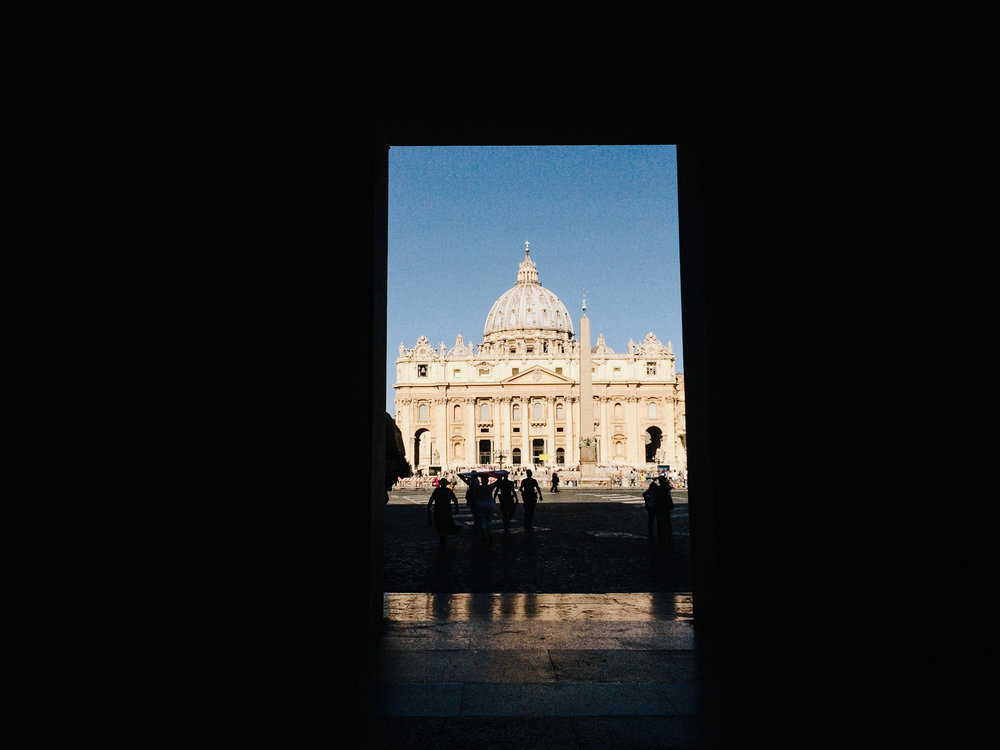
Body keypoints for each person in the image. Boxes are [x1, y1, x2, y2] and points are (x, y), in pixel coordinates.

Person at [427, 478, 461, 549]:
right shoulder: (449, 491)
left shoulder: (437, 491)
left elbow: (432, 498)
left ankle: (442, 536)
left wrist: (429, 506)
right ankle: (444, 536)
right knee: (446, 523)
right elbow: (455, 499)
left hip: (438, 510)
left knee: (439, 524)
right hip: (447, 509)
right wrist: (456, 508)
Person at [643, 474, 674, 541]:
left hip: (661, 506)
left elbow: (646, 494)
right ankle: (668, 532)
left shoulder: (660, 488)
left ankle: (661, 533)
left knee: (661, 520)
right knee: (666, 519)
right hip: (666, 506)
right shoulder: (666, 487)